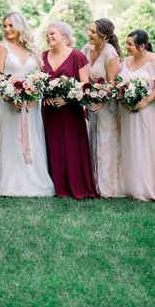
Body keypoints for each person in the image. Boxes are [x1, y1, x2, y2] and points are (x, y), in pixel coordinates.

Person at [0, 12, 54, 197]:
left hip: (31, 102)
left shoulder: (33, 49)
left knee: (32, 137)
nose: (7, 29)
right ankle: (12, 183)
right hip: (9, 102)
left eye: (11, 25)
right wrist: (9, 95)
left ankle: (34, 181)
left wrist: (34, 92)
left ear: (20, 26)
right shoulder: (2, 47)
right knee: (12, 139)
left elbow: (38, 76)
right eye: (5, 26)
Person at [120, 29, 155, 203]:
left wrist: (146, 101)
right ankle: (134, 187)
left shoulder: (153, 59)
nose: (127, 47)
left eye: (130, 44)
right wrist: (124, 97)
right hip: (128, 110)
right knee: (132, 146)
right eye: (127, 43)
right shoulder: (127, 60)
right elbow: (120, 82)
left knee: (148, 147)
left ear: (142, 46)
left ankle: (151, 187)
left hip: (148, 110)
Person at [43, 21, 99, 199]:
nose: (49, 36)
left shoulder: (77, 56)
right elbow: (37, 83)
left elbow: (85, 85)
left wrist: (67, 98)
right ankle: (56, 185)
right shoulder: (42, 56)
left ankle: (76, 184)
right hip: (49, 111)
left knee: (72, 148)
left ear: (64, 36)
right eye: (47, 34)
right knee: (52, 147)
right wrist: (46, 97)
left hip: (71, 112)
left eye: (53, 33)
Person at [82, 18, 124, 197]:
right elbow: (83, 77)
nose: (89, 34)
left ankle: (108, 187)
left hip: (107, 104)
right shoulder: (86, 49)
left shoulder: (110, 52)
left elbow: (113, 81)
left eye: (93, 32)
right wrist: (85, 100)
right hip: (92, 101)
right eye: (89, 30)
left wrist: (103, 99)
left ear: (104, 36)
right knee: (93, 140)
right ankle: (94, 183)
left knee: (106, 142)